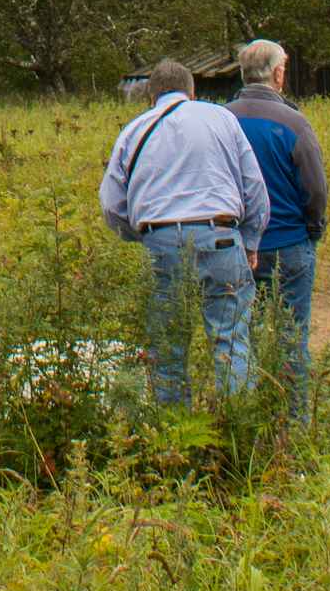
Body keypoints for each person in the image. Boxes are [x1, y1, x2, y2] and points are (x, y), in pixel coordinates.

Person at [98, 58, 270, 403]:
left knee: (168, 346)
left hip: (161, 240)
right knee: (231, 339)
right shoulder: (222, 118)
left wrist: (144, 235)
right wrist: (250, 242)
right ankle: (238, 432)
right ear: (193, 91)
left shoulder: (134, 130)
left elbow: (111, 204)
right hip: (221, 235)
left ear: (151, 96)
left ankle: (174, 439)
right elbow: (255, 189)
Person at [225, 38, 330, 393]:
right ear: (279, 74)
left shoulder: (222, 120)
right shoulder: (294, 122)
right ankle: (293, 419)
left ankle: (247, 413)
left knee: (241, 337)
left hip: (236, 244)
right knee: (292, 336)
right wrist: (313, 229)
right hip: (289, 242)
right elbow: (315, 189)